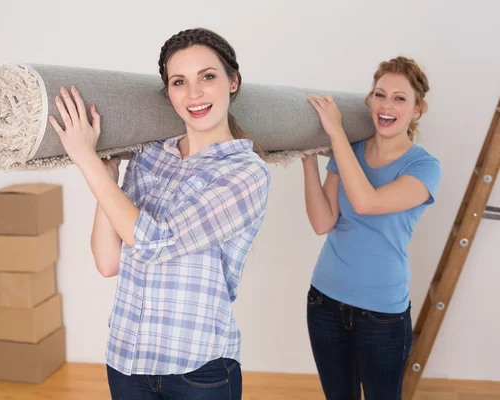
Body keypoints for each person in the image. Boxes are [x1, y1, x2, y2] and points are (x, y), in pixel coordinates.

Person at [48, 28, 271, 400]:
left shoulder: (245, 173)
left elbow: (155, 242)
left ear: (232, 82)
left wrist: (84, 158)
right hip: (127, 360)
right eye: (179, 81)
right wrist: (107, 178)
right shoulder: (149, 156)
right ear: (168, 92)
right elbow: (107, 262)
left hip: (198, 370)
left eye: (208, 77)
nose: (194, 94)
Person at [302, 56, 442, 399]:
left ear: (417, 109)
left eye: (399, 98)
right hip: (324, 301)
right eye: (380, 95)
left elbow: (367, 202)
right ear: (370, 99)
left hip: (382, 313)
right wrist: (306, 157)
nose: (387, 105)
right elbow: (323, 222)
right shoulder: (349, 150)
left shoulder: (425, 167)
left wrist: (335, 131)